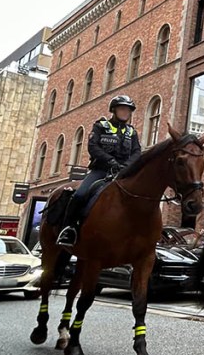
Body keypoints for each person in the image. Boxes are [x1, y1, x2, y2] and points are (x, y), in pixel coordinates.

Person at [56, 95, 141, 246]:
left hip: (124, 172)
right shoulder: (101, 126)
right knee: (80, 195)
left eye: (128, 110)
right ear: (114, 110)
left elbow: (136, 152)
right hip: (101, 170)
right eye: (122, 109)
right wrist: (110, 161)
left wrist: (127, 165)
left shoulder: (131, 132)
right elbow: (93, 147)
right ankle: (68, 229)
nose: (125, 112)